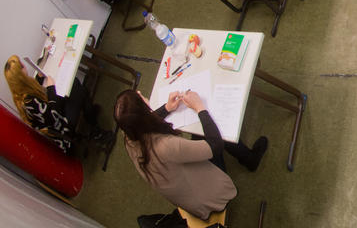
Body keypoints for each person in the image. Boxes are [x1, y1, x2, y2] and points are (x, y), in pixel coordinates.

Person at [114, 89, 268, 220]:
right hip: (209, 198)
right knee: (214, 130)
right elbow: (215, 145)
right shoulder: (166, 146)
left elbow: (143, 123)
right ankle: (250, 159)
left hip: (187, 193)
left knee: (203, 130)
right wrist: (199, 107)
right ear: (145, 112)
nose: (142, 94)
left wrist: (167, 108)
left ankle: (248, 158)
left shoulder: (129, 136)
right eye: (140, 97)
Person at [4, 55, 109, 154]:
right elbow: (54, 115)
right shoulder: (28, 102)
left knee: (75, 85)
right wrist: (51, 88)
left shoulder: (22, 92)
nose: (24, 66)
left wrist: (40, 78)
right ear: (20, 76)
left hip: (56, 120)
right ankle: (96, 129)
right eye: (22, 66)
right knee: (77, 90)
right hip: (62, 127)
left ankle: (89, 113)